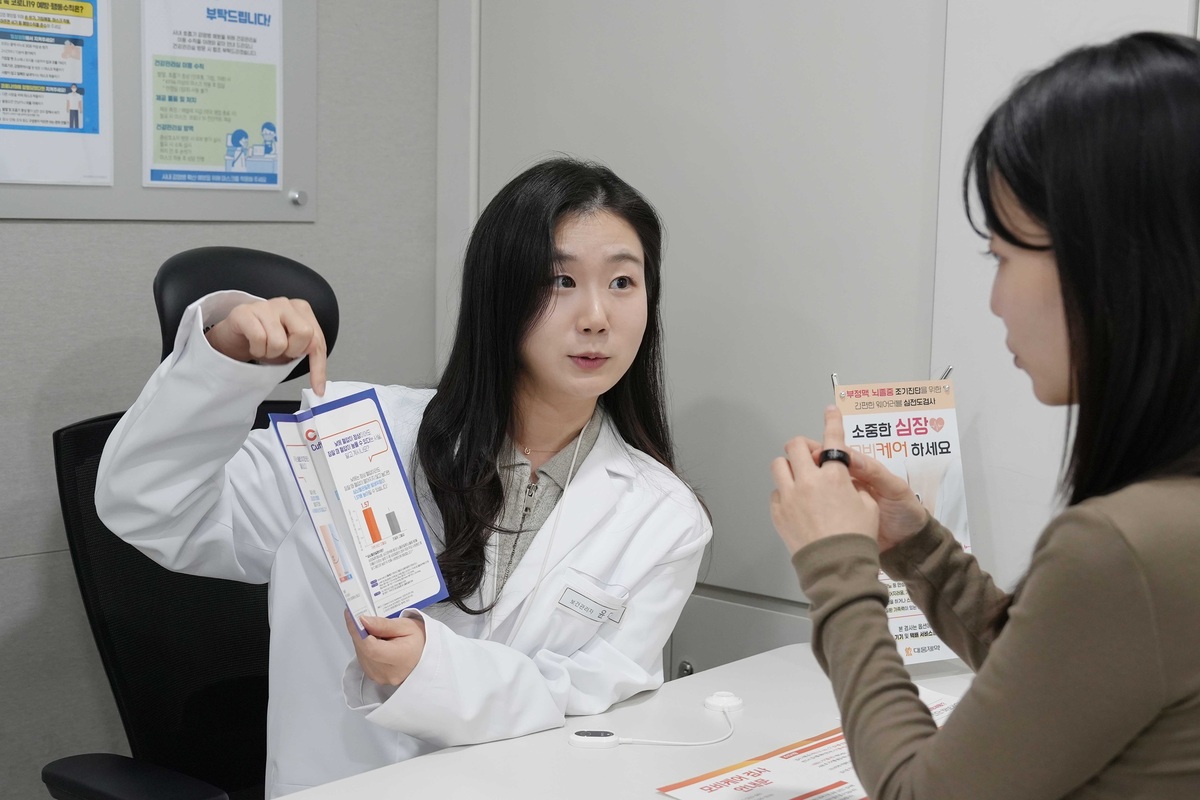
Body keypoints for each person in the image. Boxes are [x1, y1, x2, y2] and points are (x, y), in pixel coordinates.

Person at [96, 158, 711, 797]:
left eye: (622, 281)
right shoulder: (355, 439)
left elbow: (596, 706)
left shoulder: (664, 519)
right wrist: (223, 366)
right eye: (561, 280)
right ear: (499, 293)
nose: (596, 316)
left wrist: (433, 670)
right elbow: (153, 508)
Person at [769, 31, 1200, 799]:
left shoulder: (1123, 548)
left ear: (1106, 262)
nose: (996, 303)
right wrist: (921, 548)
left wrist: (836, 566)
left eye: (1004, 258)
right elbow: (1060, 688)